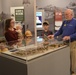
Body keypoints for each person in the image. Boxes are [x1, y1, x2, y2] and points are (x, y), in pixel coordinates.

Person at [48, 9, 76, 74]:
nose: (65, 16)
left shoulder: (75, 22)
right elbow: (60, 31)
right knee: (65, 58)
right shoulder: (64, 22)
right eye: (65, 14)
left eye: (66, 14)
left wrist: (70, 37)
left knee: (73, 59)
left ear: (71, 15)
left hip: (72, 43)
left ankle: (73, 72)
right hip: (64, 44)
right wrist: (53, 35)